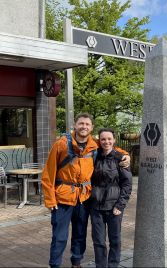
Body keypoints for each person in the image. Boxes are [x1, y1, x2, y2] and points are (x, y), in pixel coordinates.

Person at [41, 113, 130, 268]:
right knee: (60, 236)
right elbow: (48, 174)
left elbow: (111, 148)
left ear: (91, 127)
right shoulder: (61, 144)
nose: (84, 127)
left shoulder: (94, 144)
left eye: (87, 124)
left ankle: (76, 263)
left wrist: (126, 156)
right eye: (81, 123)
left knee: (80, 234)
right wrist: (50, 199)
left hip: (84, 197)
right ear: (75, 125)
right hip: (62, 197)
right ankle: (55, 264)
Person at [90, 128, 132, 268]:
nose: (106, 142)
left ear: (114, 140)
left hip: (114, 208)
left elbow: (126, 184)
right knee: (98, 241)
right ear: (99, 141)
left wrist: (120, 205)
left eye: (109, 139)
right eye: (103, 139)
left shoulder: (121, 158)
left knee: (114, 240)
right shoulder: (94, 157)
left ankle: (113, 265)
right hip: (96, 207)